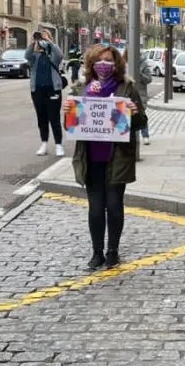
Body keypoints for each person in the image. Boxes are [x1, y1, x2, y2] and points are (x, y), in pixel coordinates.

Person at [65, 44, 146, 270]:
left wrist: (135, 113)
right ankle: (96, 252)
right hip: (91, 157)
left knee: (114, 204)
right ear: (91, 64)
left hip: (117, 156)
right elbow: (72, 125)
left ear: (116, 63)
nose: (104, 65)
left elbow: (141, 123)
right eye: (99, 60)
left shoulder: (126, 88)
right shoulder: (81, 88)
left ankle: (112, 251)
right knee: (96, 207)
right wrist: (68, 112)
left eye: (109, 60)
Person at [25, 30, 66, 157]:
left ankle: (58, 144)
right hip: (37, 89)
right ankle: (44, 143)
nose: (42, 39)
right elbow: (27, 56)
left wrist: (49, 42)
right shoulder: (35, 55)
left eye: (45, 36)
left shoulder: (52, 53)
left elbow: (60, 55)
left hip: (53, 89)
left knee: (54, 117)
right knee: (41, 118)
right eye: (40, 36)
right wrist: (33, 42)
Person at [126, 48, 154, 145]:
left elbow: (149, 79)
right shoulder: (124, 64)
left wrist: (141, 75)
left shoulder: (143, 64)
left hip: (140, 94)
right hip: (127, 93)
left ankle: (145, 135)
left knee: (141, 114)